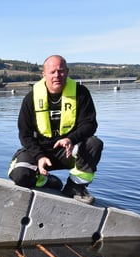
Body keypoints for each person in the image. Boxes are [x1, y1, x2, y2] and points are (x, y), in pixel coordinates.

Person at [8, 55, 103, 204]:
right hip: (40, 151)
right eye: (52, 72)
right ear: (44, 74)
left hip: (68, 150)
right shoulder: (30, 99)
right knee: (20, 176)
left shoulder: (81, 93)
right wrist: (39, 156)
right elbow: (24, 134)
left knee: (94, 144)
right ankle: (46, 181)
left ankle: (75, 187)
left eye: (61, 71)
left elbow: (90, 124)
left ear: (67, 71)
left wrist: (70, 139)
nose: (57, 76)